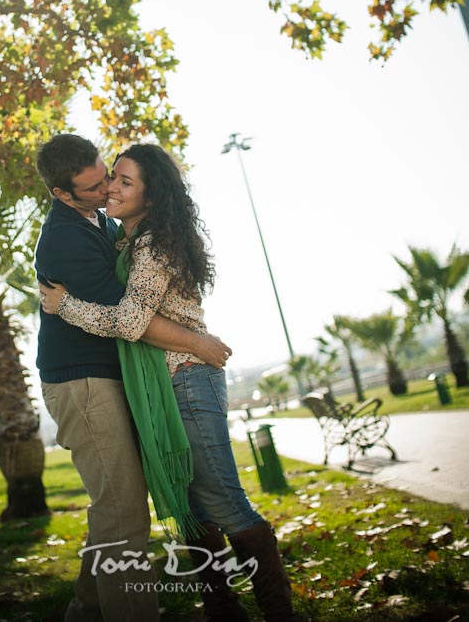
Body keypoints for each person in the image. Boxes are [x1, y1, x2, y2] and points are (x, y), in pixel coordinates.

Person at [40, 143, 306, 622]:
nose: (109, 190)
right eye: (106, 180)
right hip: (160, 385)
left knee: (222, 500)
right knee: (191, 504)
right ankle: (224, 611)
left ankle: (279, 613)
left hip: (186, 379)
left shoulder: (152, 243)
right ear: (63, 193)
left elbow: (128, 320)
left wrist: (66, 306)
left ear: (151, 194)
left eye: (120, 180)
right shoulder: (118, 238)